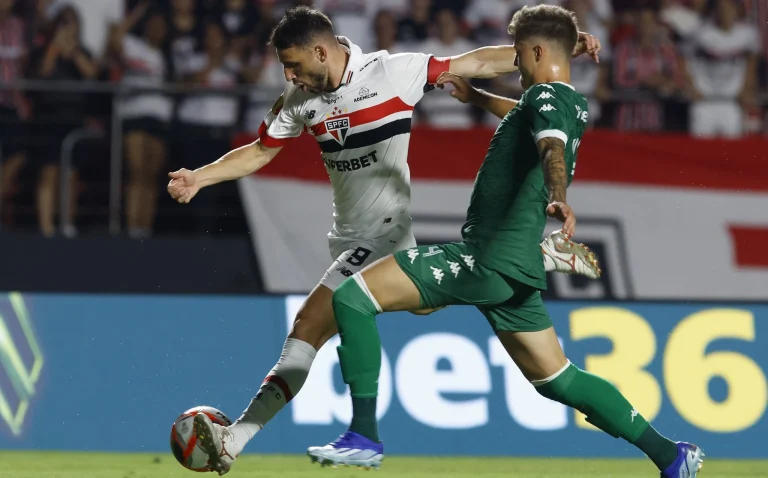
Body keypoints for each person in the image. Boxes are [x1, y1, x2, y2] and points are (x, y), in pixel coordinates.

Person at [169, 6, 602, 475]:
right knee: (425, 305)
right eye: (284, 68)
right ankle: (533, 256)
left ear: (321, 50)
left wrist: (562, 45)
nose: (288, 75)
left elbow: (475, 62)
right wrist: (200, 177)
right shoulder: (298, 100)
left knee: (309, 323)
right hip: (352, 237)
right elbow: (259, 152)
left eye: (293, 64)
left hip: (383, 233)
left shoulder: (394, 73)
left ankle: (238, 438)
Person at [297, 5, 700, 477]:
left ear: (533, 52)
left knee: (353, 297)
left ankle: (364, 436)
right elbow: (527, 119)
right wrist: (477, 95)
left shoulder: (547, 98)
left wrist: (559, 197)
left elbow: (549, 142)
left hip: (482, 259)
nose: (517, 63)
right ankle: (672, 456)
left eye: (519, 55)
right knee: (558, 379)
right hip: (512, 272)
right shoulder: (565, 101)